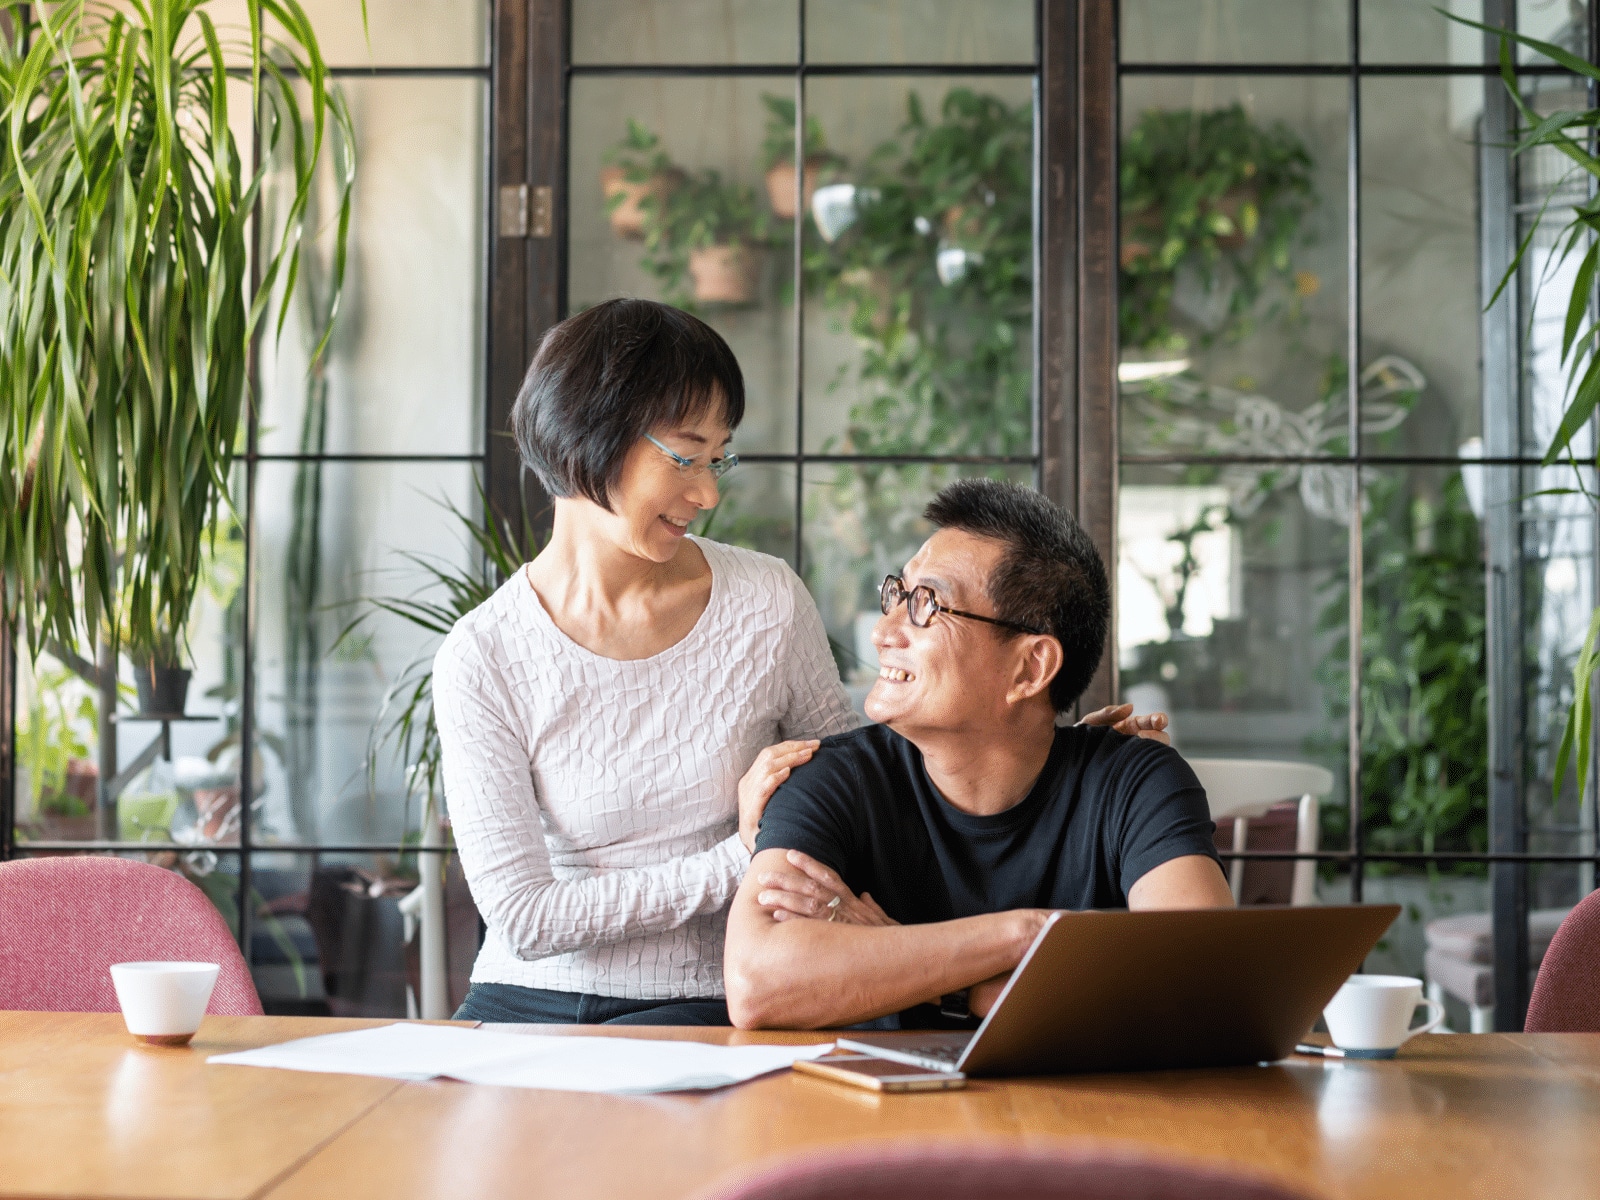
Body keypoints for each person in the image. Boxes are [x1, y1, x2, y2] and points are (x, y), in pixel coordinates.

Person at [434, 299, 1167, 1026]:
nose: (709, 492)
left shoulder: (765, 599)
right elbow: (526, 918)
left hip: (716, 998)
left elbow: (865, 779)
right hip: (520, 1004)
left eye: (719, 457)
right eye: (686, 455)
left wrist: (1058, 754)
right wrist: (738, 855)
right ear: (584, 434)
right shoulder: (483, 653)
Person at [723, 478, 1234, 1032]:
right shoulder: (826, 780)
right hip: (880, 1113)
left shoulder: (1135, 779)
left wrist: (939, 976)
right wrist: (1022, 936)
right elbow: (757, 987)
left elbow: (1202, 993)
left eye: (927, 605)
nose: (884, 632)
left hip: (1084, 1113)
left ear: (1030, 668)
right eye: (897, 594)